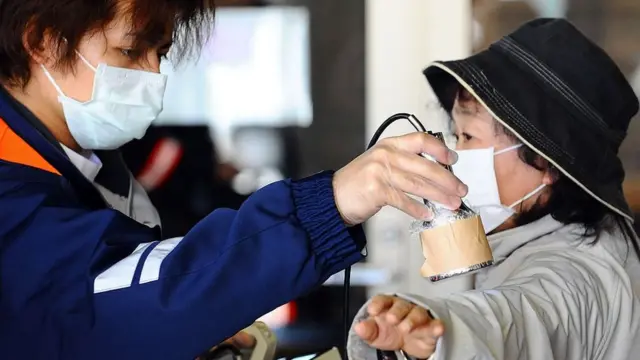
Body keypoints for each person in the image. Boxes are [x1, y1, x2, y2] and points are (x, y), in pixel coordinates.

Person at [0, 1, 468, 359]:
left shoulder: (89, 162)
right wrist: (329, 204)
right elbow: (117, 293)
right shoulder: (12, 200)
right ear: (42, 40)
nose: (153, 74)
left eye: (160, 53)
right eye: (131, 49)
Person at [348, 18, 640, 360]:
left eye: (468, 137)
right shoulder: (557, 238)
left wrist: (437, 330)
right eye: (455, 135)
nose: (451, 155)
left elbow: (515, 319)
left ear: (545, 165)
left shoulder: (576, 276)